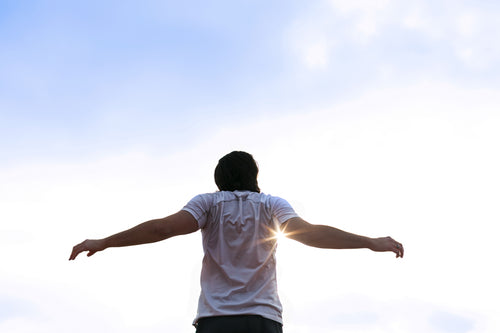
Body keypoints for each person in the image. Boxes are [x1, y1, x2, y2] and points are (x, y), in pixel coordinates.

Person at [69, 151, 404, 333]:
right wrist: (369, 242)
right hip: (262, 321)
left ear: (219, 180)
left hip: (216, 322)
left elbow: (161, 229)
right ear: (254, 177)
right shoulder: (272, 205)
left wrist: (105, 241)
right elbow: (309, 233)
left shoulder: (208, 203)